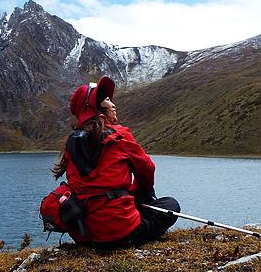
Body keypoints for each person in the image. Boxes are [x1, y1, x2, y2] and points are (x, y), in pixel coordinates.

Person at [41, 75, 180, 250]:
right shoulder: (119, 135)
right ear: (96, 108)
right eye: (106, 100)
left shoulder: (71, 143)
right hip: (120, 235)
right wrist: (138, 193)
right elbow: (147, 170)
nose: (113, 104)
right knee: (170, 205)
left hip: (83, 235)